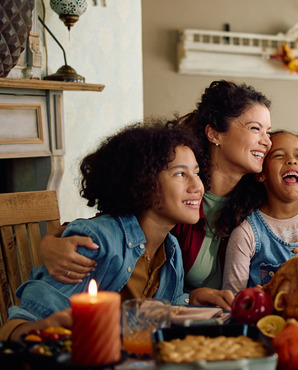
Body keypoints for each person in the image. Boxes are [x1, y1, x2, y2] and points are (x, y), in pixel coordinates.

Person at [38, 81, 298, 309]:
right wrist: (49, 242)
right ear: (214, 134)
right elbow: (114, 232)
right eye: (255, 129)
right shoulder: (175, 198)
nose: (267, 141)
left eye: (268, 131)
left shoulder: (258, 193)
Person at [0, 121, 205, 342]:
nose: (198, 186)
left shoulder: (170, 249)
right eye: (180, 174)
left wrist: (193, 299)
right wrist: (49, 326)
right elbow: (18, 326)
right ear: (143, 181)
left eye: (196, 172)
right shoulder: (96, 241)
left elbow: (168, 312)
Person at [222, 131, 298, 292]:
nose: (291, 161)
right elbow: (232, 301)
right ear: (261, 174)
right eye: (279, 156)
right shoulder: (246, 235)